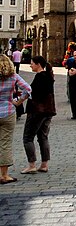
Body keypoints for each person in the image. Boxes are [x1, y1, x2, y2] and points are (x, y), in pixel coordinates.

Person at [20, 55, 56, 174]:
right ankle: (44, 164)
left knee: (28, 137)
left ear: (38, 64)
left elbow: (34, 93)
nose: (30, 65)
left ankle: (32, 165)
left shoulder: (40, 77)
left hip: (37, 111)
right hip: (48, 111)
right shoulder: (48, 76)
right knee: (43, 137)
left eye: (32, 63)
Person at [0, 54, 31, 183]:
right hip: (8, 112)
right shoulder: (13, 76)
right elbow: (28, 89)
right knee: (5, 144)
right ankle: (4, 175)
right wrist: (18, 101)